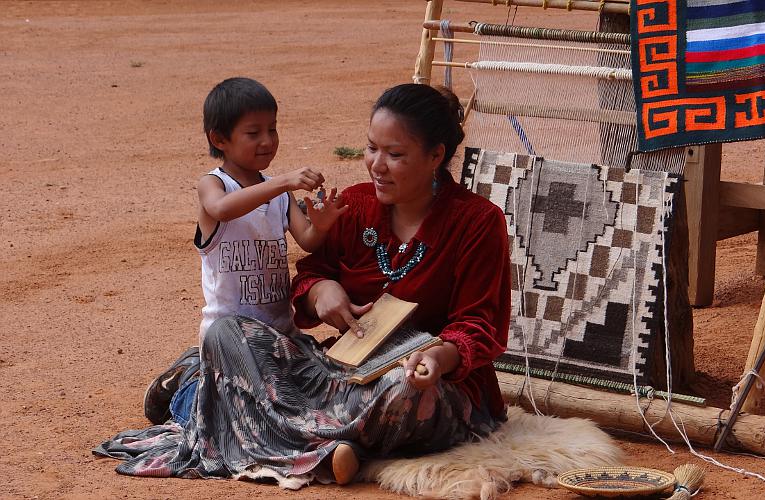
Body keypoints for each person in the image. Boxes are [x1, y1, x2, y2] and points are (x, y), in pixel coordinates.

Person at [94, 83, 511, 488]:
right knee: (229, 332)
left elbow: (480, 324)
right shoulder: (358, 203)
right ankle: (320, 441)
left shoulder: (477, 222)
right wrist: (320, 290)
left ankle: (215, 401)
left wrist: (439, 357)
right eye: (371, 148)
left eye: (395, 154)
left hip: (424, 381)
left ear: (435, 155)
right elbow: (313, 270)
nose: (376, 165)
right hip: (342, 372)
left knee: (400, 394)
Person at [142, 77, 347, 426]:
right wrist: (281, 181)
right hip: (229, 338)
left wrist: (323, 222)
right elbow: (221, 208)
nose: (268, 140)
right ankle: (185, 386)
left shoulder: (278, 195)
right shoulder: (215, 184)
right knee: (231, 411)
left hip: (279, 334)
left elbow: (308, 240)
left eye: (273, 129)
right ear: (219, 139)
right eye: (254, 133)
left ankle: (195, 375)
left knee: (306, 389)